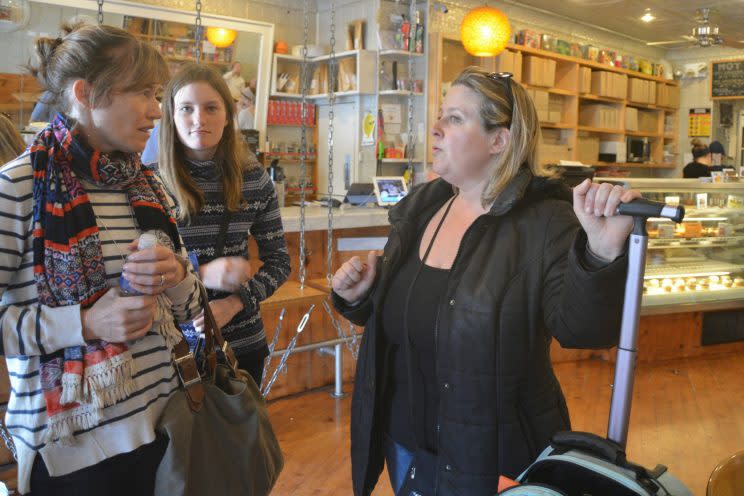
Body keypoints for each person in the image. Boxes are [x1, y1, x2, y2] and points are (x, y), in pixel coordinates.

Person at [331, 67, 641, 496]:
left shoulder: (545, 221)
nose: (435, 128)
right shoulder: (422, 208)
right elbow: (414, 311)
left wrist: (602, 253)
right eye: (441, 115)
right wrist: (359, 296)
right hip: (405, 443)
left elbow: (583, 331)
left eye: (455, 119)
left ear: (500, 140)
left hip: (493, 454)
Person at [0, 24, 203, 495]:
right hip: (75, 453)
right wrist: (87, 322)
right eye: (142, 93)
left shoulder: (149, 187)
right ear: (86, 93)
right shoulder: (19, 187)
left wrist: (174, 277)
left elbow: (192, 306)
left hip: (168, 428)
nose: (157, 110)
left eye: (158, 94)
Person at [156, 63, 290, 386]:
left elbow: (280, 262)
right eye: (186, 108)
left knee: (241, 437)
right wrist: (200, 275)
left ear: (228, 116)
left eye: (211, 108)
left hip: (242, 347)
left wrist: (235, 303)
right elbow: (137, 278)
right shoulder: (152, 182)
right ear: (171, 116)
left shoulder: (254, 180)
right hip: (171, 350)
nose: (199, 119)